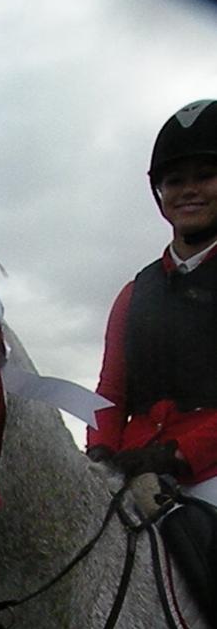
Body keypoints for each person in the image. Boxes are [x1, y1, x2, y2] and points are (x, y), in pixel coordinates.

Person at [86, 99, 217, 508]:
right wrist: (101, 451)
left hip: (208, 470)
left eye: (206, 176)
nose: (189, 190)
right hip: (133, 464)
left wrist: (179, 453)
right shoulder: (134, 292)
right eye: (175, 180)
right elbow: (110, 393)